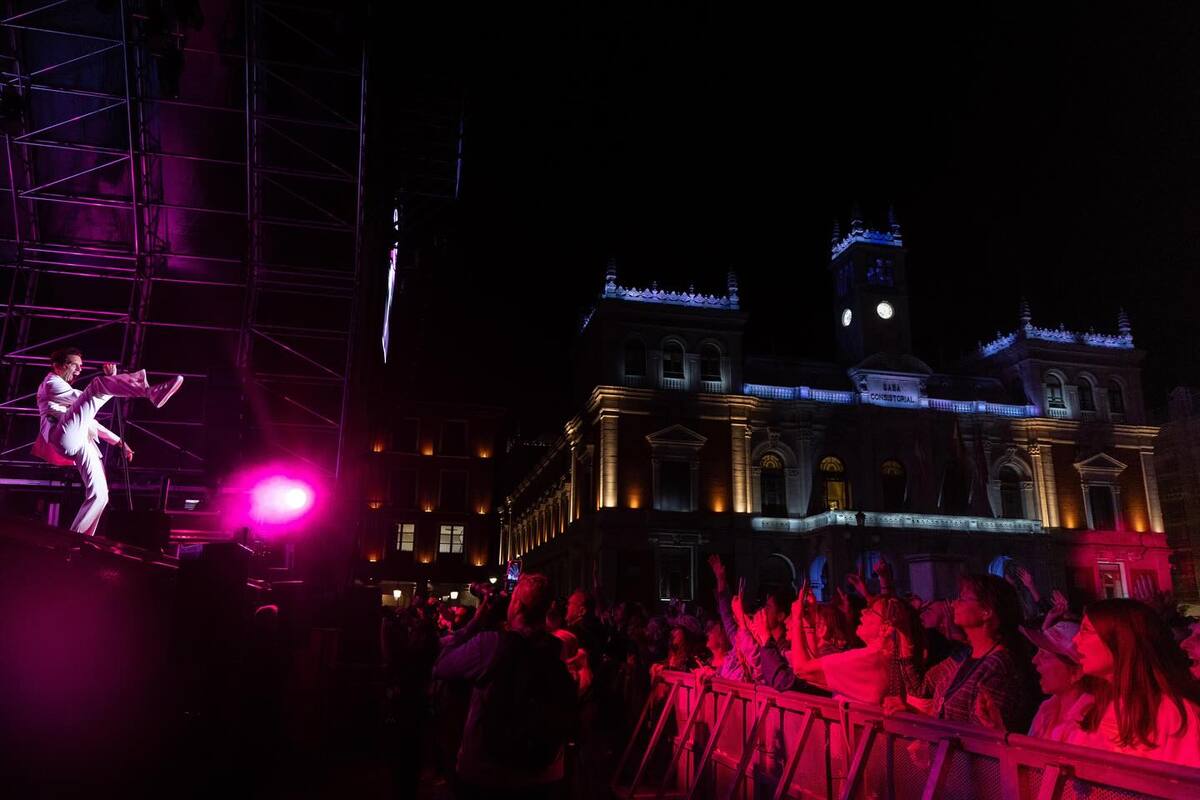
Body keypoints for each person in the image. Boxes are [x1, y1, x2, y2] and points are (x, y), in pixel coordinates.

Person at [432, 573, 577, 799]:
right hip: (545, 775)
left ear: (517, 606)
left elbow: (440, 666)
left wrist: (476, 622)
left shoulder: (490, 645)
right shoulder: (559, 650)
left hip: (488, 775)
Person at [34, 348, 184, 536]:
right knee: (97, 386)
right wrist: (111, 382)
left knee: (100, 495)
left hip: (81, 439)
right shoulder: (50, 383)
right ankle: (149, 392)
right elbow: (86, 396)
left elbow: (90, 419)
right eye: (74, 365)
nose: (79, 370)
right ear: (58, 366)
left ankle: (78, 538)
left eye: (81, 366)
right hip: (63, 436)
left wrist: (119, 442)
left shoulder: (65, 392)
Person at [890, 574, 1034, 732]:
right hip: (944, 753)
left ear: (986, 612)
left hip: (955, 756)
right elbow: (920, 689)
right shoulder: (961, 656)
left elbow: (979, 741)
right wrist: (904, 631)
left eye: (962, 598)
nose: (953, 604)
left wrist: (927, 734)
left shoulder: (998, 668)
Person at [1066, 598, 1200, 765]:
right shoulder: (1094, 705)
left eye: (1085, 630)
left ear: (1123, 640)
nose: (1075, 640)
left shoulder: (1176, 714)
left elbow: (1185, 785)